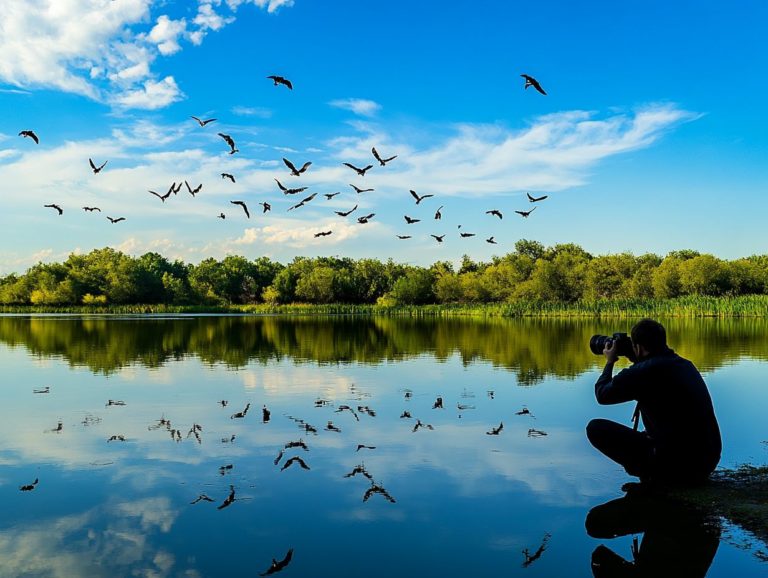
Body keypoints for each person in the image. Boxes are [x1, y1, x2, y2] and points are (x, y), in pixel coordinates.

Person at [586, 318, 721, 486]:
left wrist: (610, 361)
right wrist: (637, 359)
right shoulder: (684, 364)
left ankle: (653, 473)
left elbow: (602, 394)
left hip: (679, 466)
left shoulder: (644, 372)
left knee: (595, 428)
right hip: (707, 460)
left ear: (639, 347)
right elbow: (651, 374)